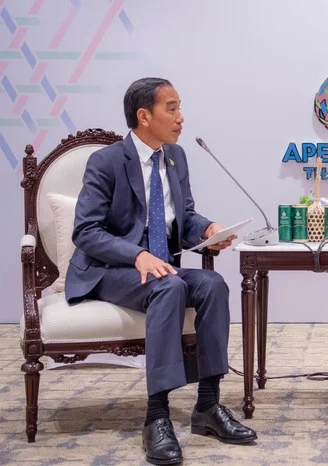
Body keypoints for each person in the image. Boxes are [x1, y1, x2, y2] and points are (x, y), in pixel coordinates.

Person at [65, 77, 257, 465]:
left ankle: (207, 406)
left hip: (161, 268)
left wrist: (207, 230)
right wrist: (136, 255)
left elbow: (181, 218)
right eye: (171, 108)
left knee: (213, 285)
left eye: (179, 107)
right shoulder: (106, 162)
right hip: (108, 270)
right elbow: (86, 231)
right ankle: (156, 417)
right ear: (143, 116)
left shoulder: (175, 157)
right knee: (169, 286)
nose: (180, 117)